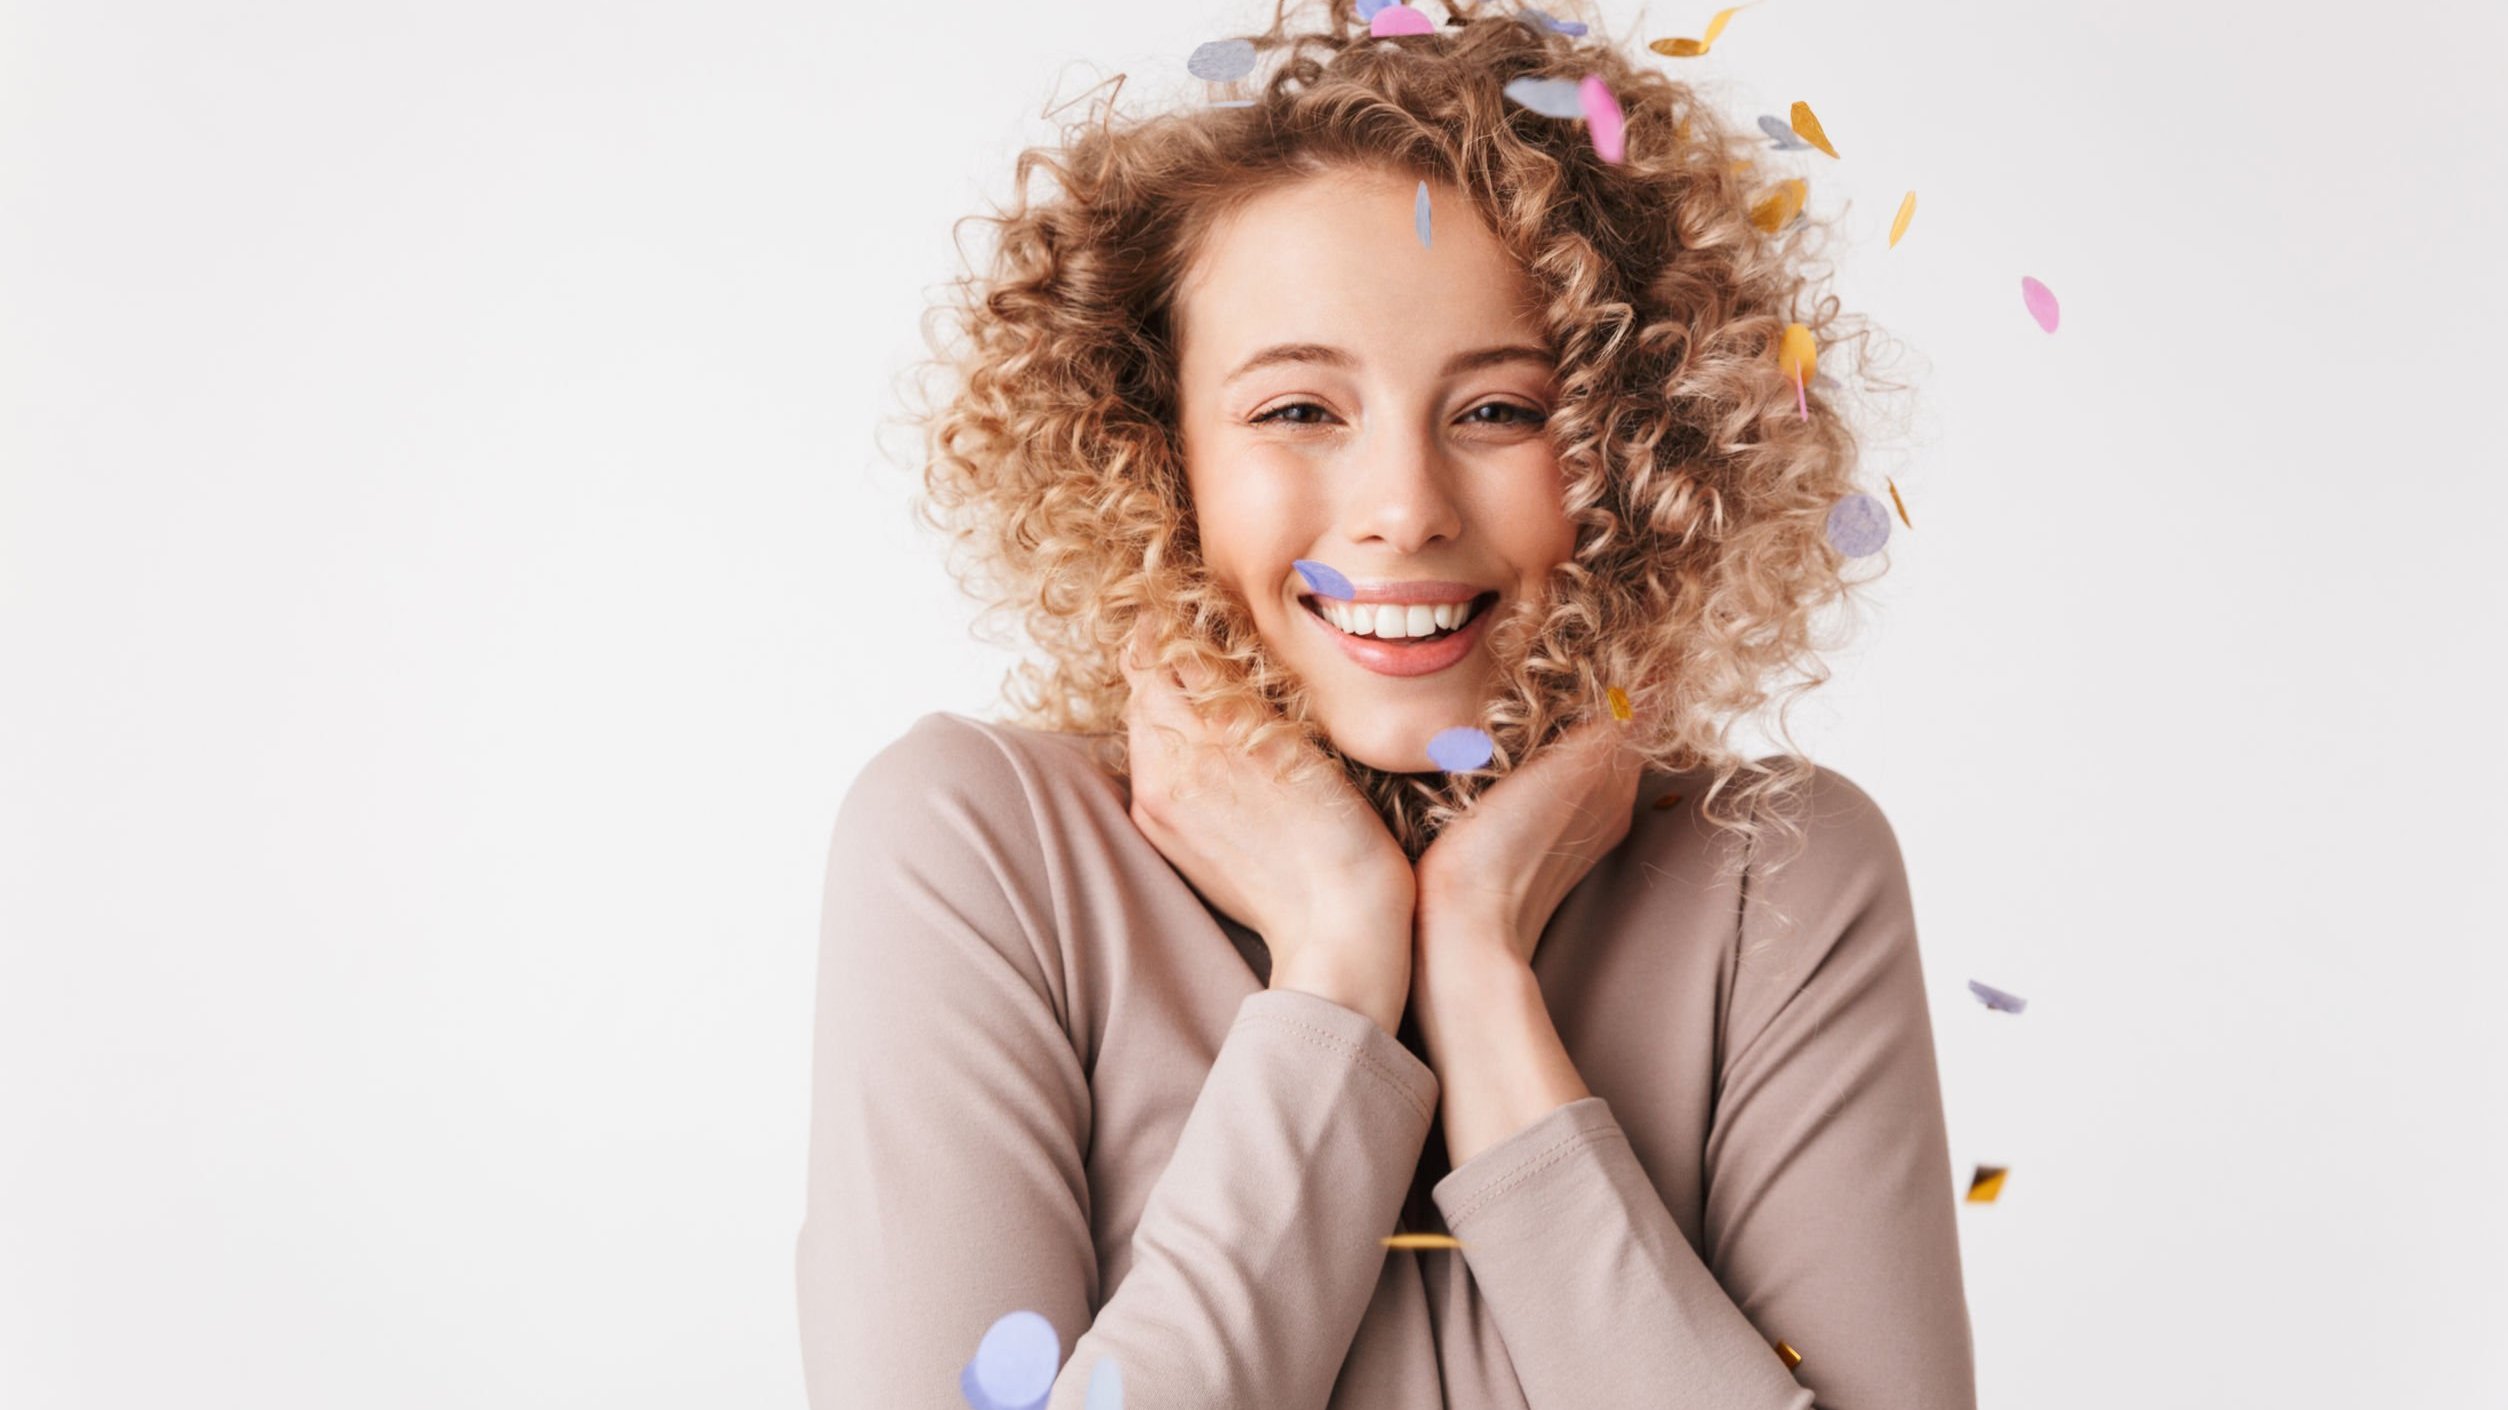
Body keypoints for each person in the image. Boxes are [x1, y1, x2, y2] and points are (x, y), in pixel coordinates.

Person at [797, 3, 1975, 1405]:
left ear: (1637, 443)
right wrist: (1338, 968)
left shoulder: (1777, 869)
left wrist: (1481, 973)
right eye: (1298, 410)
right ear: (1155, 443)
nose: (1405, 510)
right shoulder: (980, 848)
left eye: (1499, 411)